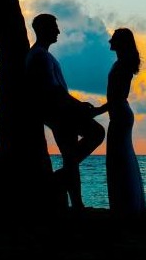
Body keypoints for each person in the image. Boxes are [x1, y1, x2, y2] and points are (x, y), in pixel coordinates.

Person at [25, 12, 105, 211]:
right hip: (60, 114)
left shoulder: (42, 55)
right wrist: (78, 106)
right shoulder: (40, 56)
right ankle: (54, 183)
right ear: (43, 29)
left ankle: (76, 203)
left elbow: (56, 90)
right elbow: (53, 90)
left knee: (71, 157)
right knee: (96, 133)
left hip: (60, 112)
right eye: (54, 27)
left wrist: (77, 105)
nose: (58, 31)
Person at [93, 27, 146, 219]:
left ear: (121, 42)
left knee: (118, 160)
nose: (110, 41)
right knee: (122, 159)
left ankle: (126, 208)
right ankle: (128, 206)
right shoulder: (122, 63)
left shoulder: (122, 65)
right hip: (120, 114)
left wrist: (97, 111)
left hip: (120, 115)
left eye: (114, 38)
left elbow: (117, 96)